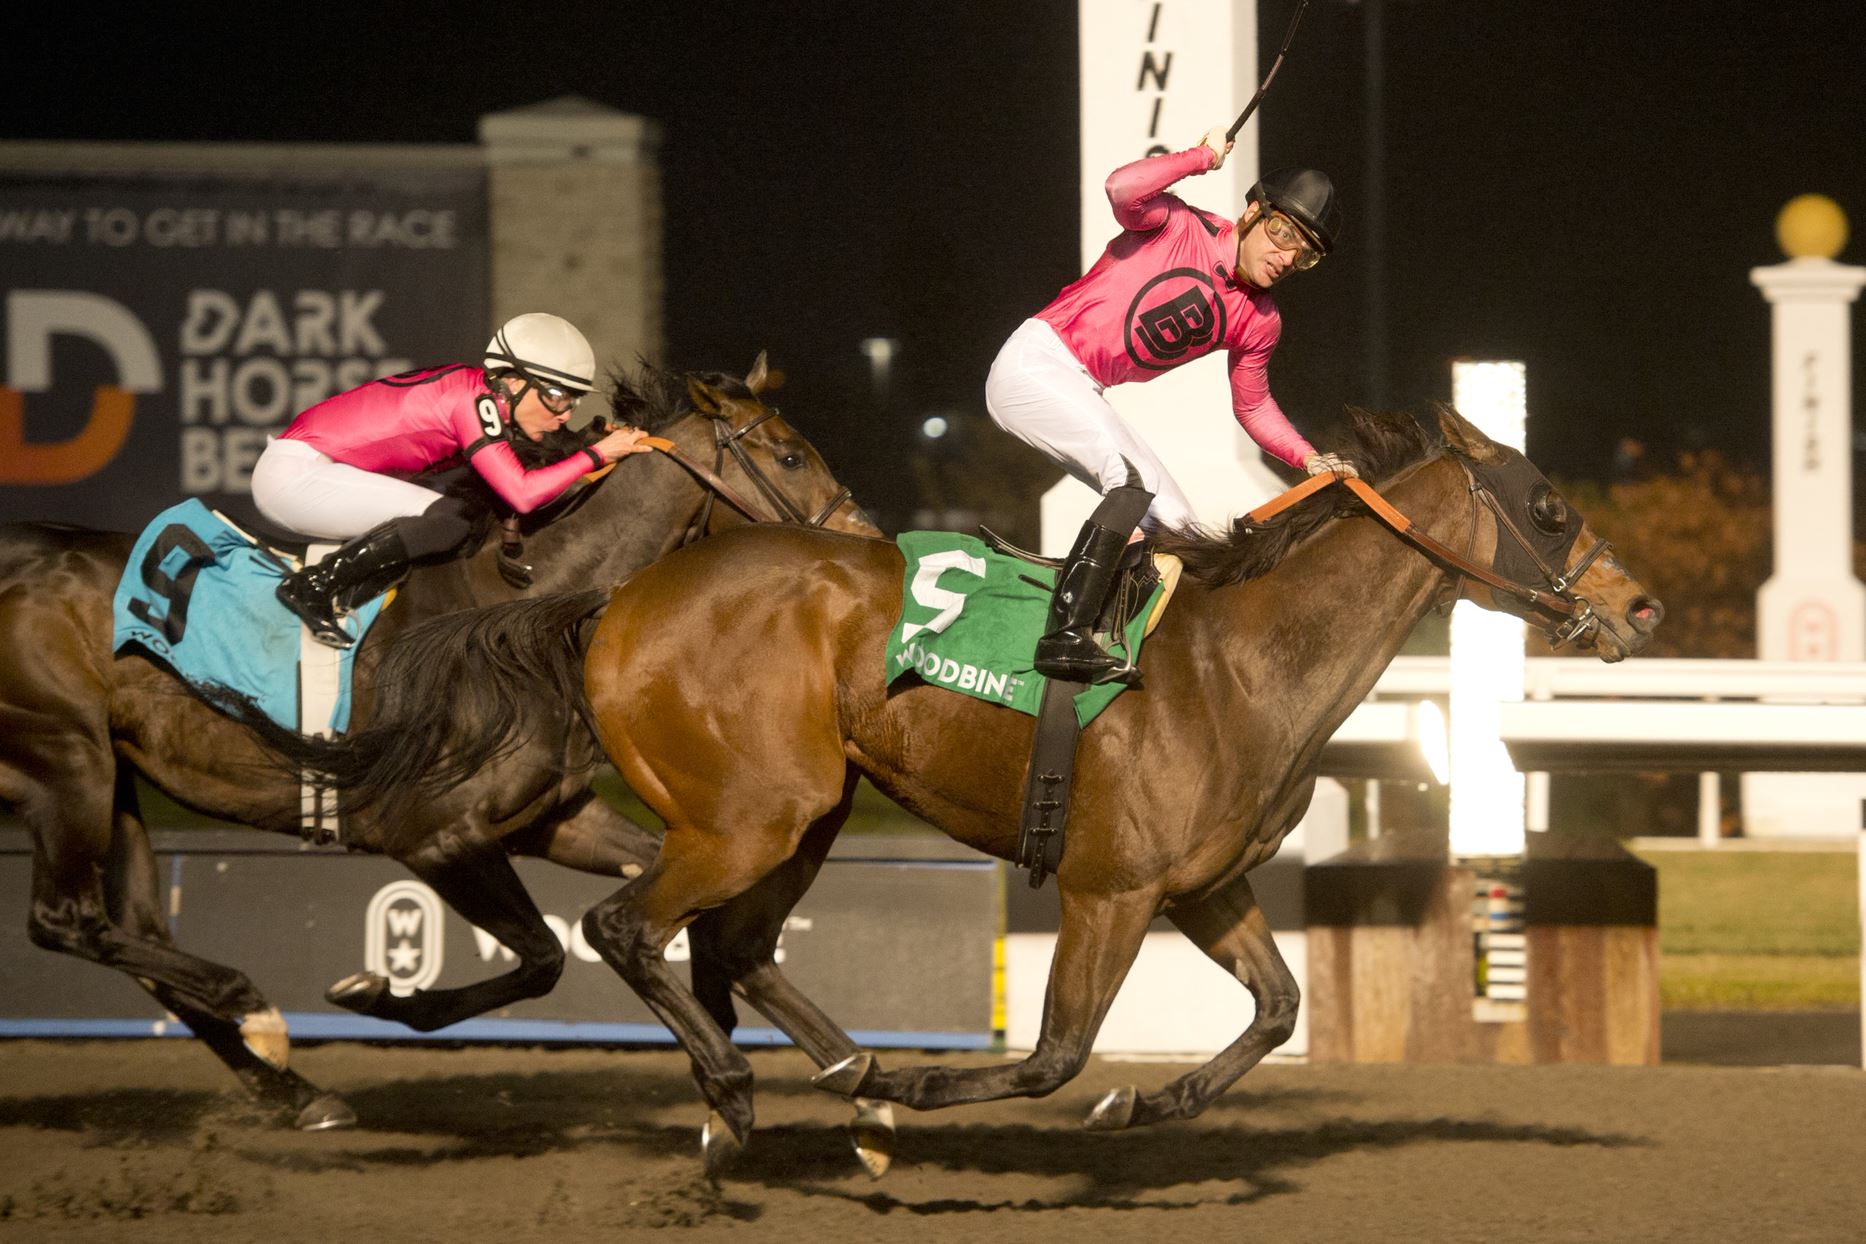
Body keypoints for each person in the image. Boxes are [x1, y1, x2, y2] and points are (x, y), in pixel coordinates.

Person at [985, 126, 1354, 685]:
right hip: (1036, 361)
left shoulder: (1260, 321)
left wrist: (1309, 459)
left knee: (1178, 526)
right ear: (1252, 212)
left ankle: (1113, 638)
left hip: (1081, 386)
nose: (1286, 257)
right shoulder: (1179, 225)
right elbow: (1121, 188)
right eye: (1283, 233)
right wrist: (1202, 156)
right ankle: (1064, 635)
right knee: (1130, 481)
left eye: (1303, 255)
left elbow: (1254, 408)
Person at [251, 312, 651, 649]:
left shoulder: (481, 394)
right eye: (555, 395)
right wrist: (597, 455)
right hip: (296, 475)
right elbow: (523, 494)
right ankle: (314, 585)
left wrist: (585, 442)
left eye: (572, 400)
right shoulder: (473, 403)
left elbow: (527, 463)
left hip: (315, 467)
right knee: (448, 518)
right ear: (513, 382)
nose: (564, 413)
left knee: (458, 506)